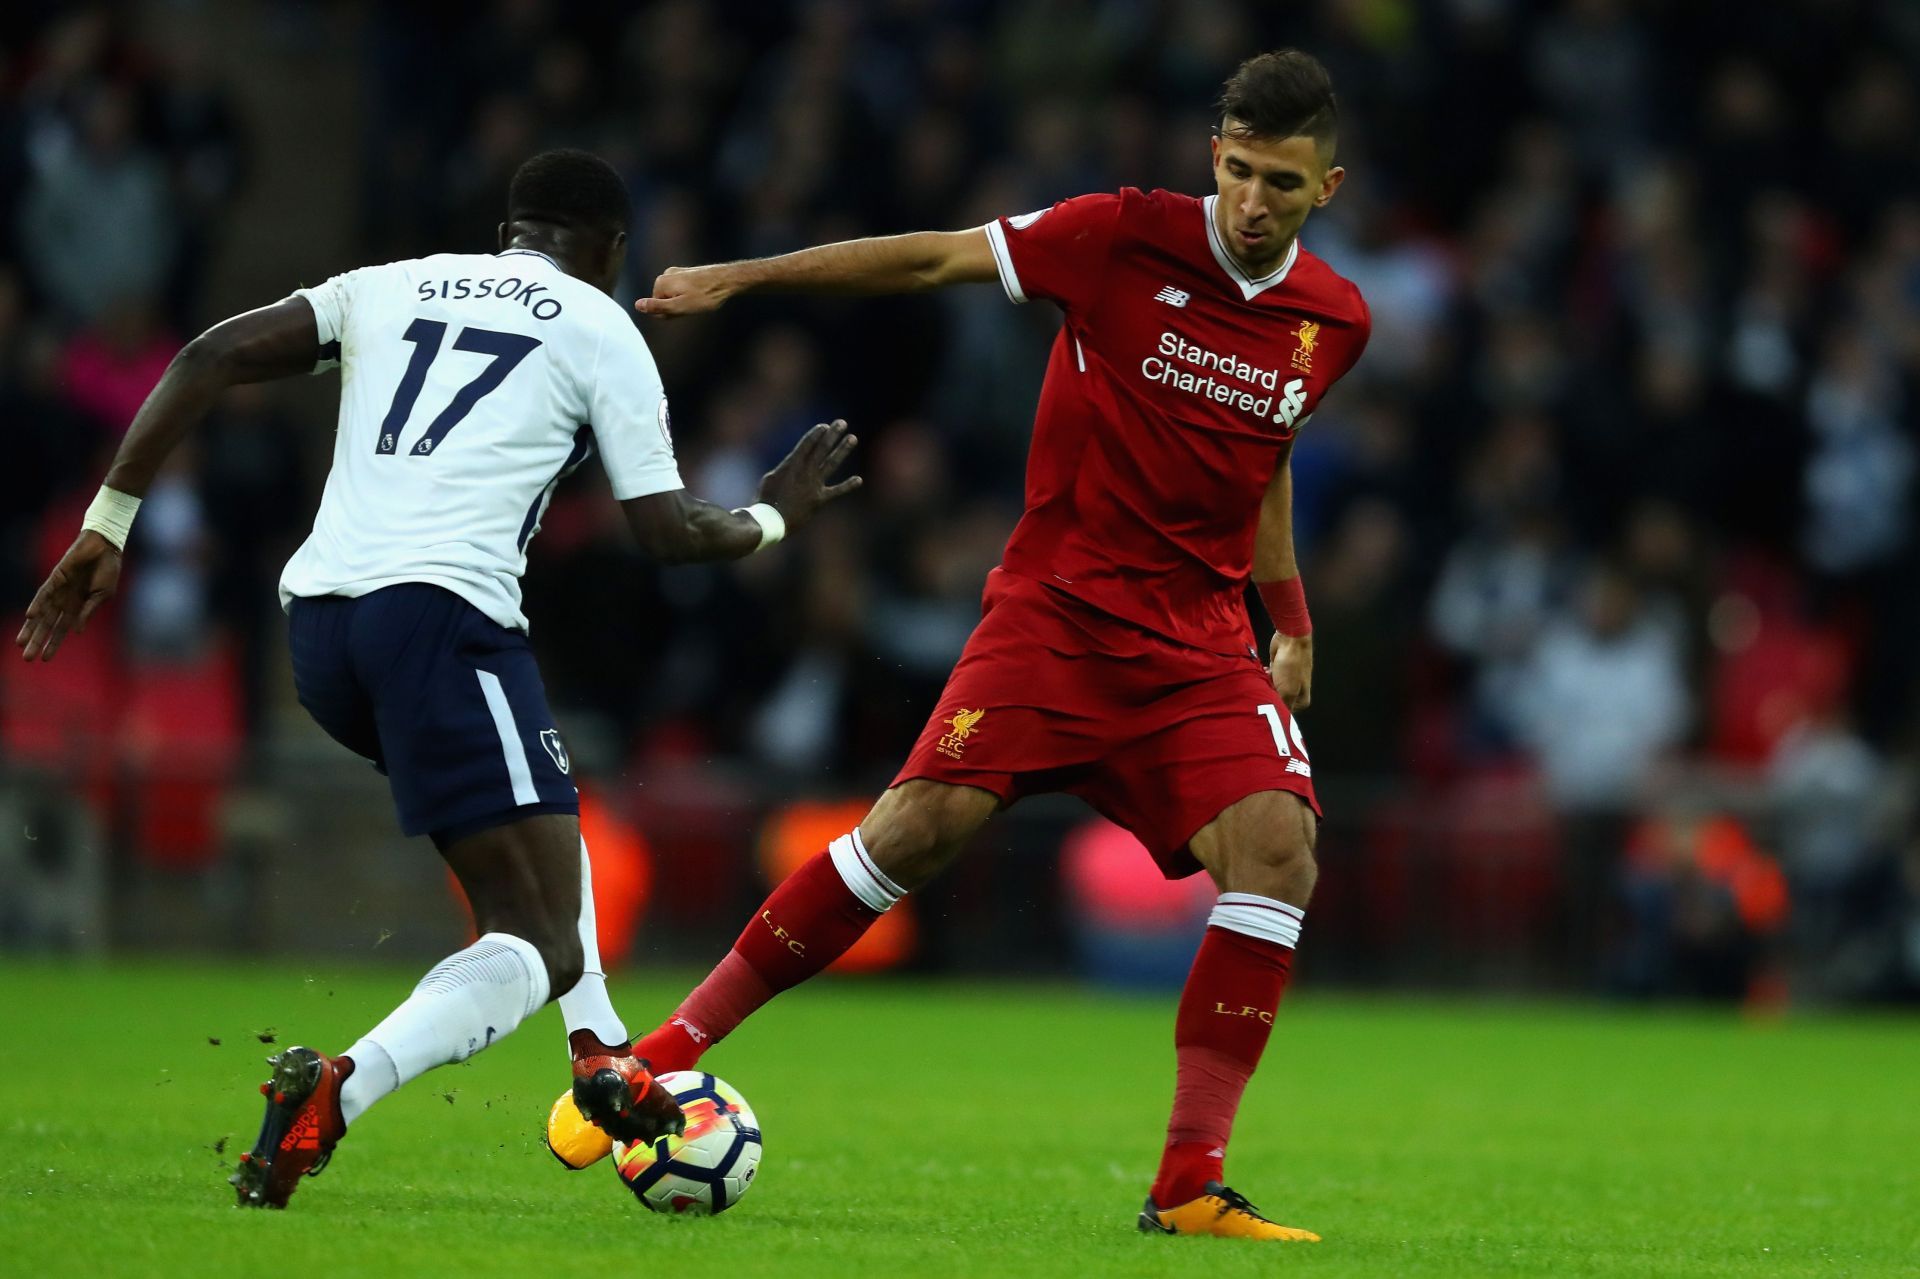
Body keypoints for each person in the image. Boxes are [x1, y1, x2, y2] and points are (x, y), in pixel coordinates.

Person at [548, 51, 1370, 1241]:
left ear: (1325, 188)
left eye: (1281, 185)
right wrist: (745, 276)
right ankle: (649, 1061)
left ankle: (1190, 1179)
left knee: (1281, 849)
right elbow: (934, 253)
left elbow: (1266, 454)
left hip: (1195, 646)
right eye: (1239, 172)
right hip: (1058, 614)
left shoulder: (1333, 321)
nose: (1252, 203)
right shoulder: (1119, 237)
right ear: (1214, 157)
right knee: (910, 833)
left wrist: (1288, 621)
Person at [15, 149, 861, 1209]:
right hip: (446, 618)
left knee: (545, 830)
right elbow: (669, 532)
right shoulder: (602, 327)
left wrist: (108, 523)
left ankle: (601, 1049)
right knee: (533, 938)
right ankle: (340, 1088)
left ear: (513, 227)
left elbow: (208, 353)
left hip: (320, 632)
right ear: (610, 249)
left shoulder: (391, 283)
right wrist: (776, 513)